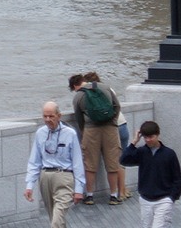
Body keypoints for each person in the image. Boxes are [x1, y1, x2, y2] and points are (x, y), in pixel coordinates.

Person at [23, 100, 87, 228]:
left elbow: (77, 162)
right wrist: (29, 185)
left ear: (59, 116)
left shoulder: (70, 133)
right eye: (45, 116)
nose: (47, 119)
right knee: (55, 218)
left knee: (56, 220)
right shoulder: (40, 133)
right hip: (45, 178)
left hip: (64, 178)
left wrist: (79, 189)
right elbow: (34, 161)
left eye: (51, 116)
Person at [68, 71, 127, 204]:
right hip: (110, 129)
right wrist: (112, 122)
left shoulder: (79, 95)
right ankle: (113, 195)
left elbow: (78, 117)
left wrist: (84, 130)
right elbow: (117, 106)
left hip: (90, 130)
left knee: (90, 164)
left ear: (75, 85)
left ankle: (89, 196)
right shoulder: (104, 87)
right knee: (112, 163)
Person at [119, 120, 181, 228]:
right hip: (145, 200)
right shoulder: (141, 152)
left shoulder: (169, 154)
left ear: (157, 135)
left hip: (164, 200)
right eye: (145, 137)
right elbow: (124, 160)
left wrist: (171, 197)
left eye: (151, 137)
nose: (148, 140)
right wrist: (134, 142)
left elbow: (177, 178)